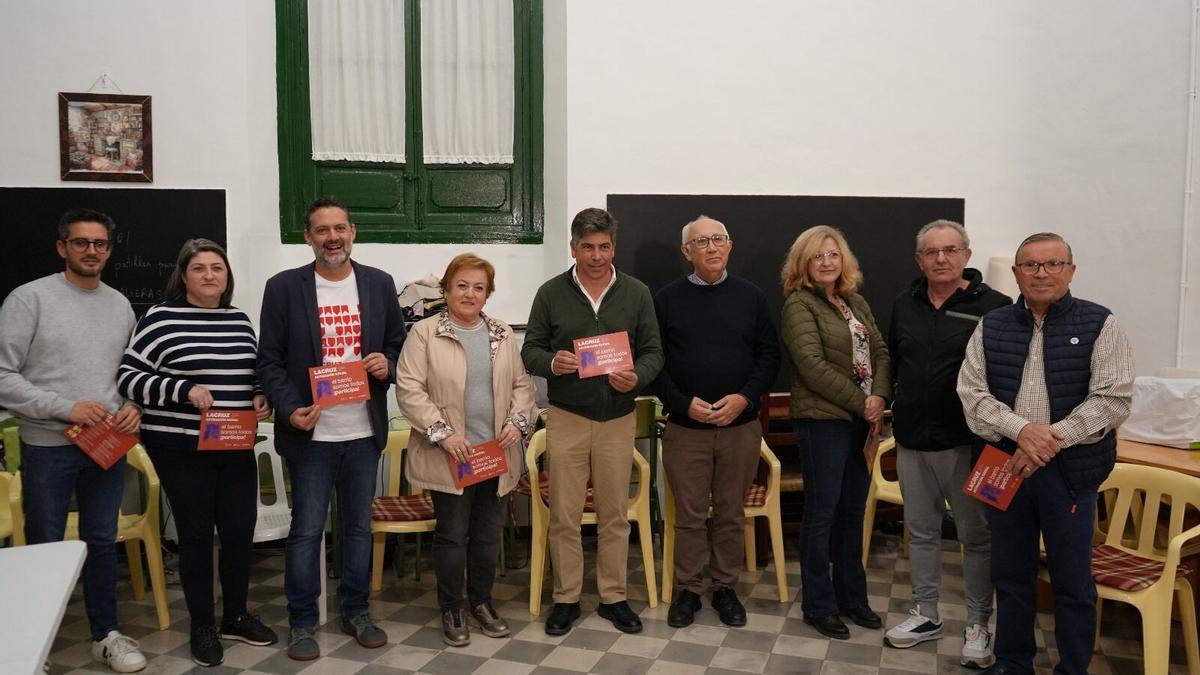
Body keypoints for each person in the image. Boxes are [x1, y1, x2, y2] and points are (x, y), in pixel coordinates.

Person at [957, 232, 1134, 675]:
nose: (1041, 273)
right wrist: (1020, 431)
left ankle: (1072, 668)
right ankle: (1013, 662)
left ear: (1071, 271)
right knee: (1011, 577)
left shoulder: (1100, 323)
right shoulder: (992, 325)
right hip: (1005, 467)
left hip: (1069, 473)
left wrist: (1046, 440)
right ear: (1016, 274)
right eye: (1030, 265)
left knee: (1073, 582)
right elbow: (972, 394)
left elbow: (1112, 400)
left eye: (1052, 264)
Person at [257, 196, 407, 661]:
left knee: (358, 529)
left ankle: (357, 612)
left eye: (340, 228)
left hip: (362, 433)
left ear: (353, 231)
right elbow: (270, 361)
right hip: (311, 434)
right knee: (305, 531)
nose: (333, 237)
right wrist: (289, 409)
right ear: (308, 238)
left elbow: (400, 348)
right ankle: (303, 621)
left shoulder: (379, 284)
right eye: (322, 230)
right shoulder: (283, 287)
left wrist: (389, 364)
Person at [117, 239, 277, 667]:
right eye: (199, 268)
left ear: (227, 277)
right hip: (181, 447)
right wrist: (183, 389)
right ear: (183, 276)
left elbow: (251, 373)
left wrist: (260, 395)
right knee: (195, 536)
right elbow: (129, 377)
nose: (209, 275)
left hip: (233, 442)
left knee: (240, 531)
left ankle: (237, 615)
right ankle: (203, 625)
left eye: (217, 268)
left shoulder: (240, 321)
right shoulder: (160, 319)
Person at [0, 208, 147, 673]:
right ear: (62, 247)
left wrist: (133, 405)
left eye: (100, 243)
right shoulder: (29, 300)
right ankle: (33, 645)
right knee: (45, 544)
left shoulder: (119, 304)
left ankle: (105, 635)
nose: (91, 251)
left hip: (106, 443)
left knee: (102, 542)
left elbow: (129, 374)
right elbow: (3, 376)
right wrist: (65, 407)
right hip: (48, 446)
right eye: (81, 242)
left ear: (108, 249)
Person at [521, 207, 664, 636]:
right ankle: (565, 598)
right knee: (564, 513)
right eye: (587, 247)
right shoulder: (550, 293)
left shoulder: (637, 293)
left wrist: (638, 375)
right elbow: (530, 350)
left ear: (613, 247)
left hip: (618, 417)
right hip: (566, 416)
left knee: (614, 514)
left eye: (603, 246)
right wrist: (554, 362)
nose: (596, 256)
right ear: (573, 248)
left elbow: (654, 352)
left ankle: (613, 597)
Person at [883, 220, 1011, 666]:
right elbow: (893, 361)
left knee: (977, 538)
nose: (941, 259)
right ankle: (926, 614)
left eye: (950, 250)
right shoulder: (904, 303)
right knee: (920, 532)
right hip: (913, 441)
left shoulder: (997, 307)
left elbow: (1006, 376)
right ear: (919, 260)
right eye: (932, 252)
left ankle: (978, 624)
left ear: (967, 255)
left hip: (972, 446)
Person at [395, 253, 536, 647]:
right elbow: (409, 389)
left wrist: (517, 422)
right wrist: (444, 433)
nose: (470, 294)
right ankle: (452, 607)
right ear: (446, 289)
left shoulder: (502, 333)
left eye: (479, 287)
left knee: (489, 533)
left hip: (494, 455)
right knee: (453, 534)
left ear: (487, 294)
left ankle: (482, 602)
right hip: (451, 456)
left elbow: (522, 386)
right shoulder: (424, 333)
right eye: (462, 285)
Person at [653, 216, 780, 628]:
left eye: (718, 239)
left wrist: (744, 398)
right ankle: (688, 590)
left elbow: (769, 357)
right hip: (685, 428)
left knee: (729, 512)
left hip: (739, 426)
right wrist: (682, 403)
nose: (711, 247)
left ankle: (725, 587)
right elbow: (654, 364)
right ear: (686, 252)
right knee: (689, 516)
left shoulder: (752, 297)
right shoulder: (666, 299)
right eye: (701, 241)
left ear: (730, 245)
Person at [779, 225, 891, 640]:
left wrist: (879, 395)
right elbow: (811, 365)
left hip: (862, 422)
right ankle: (819, 605)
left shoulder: (855, 301)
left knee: (852, 513)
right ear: (804, 264)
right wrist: (862, 402)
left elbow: (880, 351)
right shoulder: (798, 304)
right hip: (822, 421)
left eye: (833, 254)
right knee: (822, 514)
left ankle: (853, 599)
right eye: (818, 256)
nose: (827, 262)